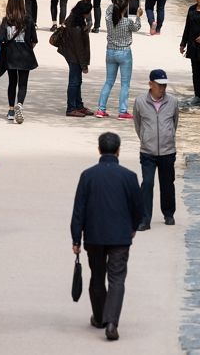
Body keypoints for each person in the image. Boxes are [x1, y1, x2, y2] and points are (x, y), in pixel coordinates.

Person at [70, 132, 143, 341]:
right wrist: (134, 226)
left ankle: (100, 316)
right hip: (120, 234)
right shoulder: (129, 177)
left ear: (99, 150)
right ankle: (112, 322)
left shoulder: (88, 175)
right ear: (118, 150)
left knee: (97, 275)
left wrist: (76, 238)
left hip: (94, 235)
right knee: (117, 278)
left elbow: (79, 210)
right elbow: (139, 207)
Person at [133, 69, 179, 230]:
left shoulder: (172, 102)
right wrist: (146, 138)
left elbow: (174, 122)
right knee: (147, 183)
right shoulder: (140, 102)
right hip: (147, 151)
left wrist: (168, 136)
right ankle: (144, 219)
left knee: (167, 183)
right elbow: (138, 125)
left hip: (167, 151)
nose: (162, 89)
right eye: (159, 85)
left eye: (164, 85)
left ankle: (168, 213)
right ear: (150, 84)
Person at [95, 0, 142, 119]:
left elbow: (109, 10)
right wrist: (138, 15)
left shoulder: (108, 19)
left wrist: (117, 3)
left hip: (110, 52)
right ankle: (122, 111)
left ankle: (101, 109)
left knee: (109, 82)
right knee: (125, 84)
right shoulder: (127, 22)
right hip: (124, 53)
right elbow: (137, 27)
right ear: (124, 8)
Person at [0, 0, 38, 124]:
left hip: (11, 56)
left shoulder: (6, 20)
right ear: (22, 4)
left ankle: (10, 110)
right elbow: (34, 40)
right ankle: (19, 104)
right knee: (23, 83)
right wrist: (27, 47)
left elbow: (0, 39)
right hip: (25, 55)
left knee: (12, 82)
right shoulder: (28, 19)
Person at [50, 0, 94, 117]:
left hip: (72, 54)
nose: (89, 15)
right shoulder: (76, 25)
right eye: (88, 12)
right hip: (74, 56)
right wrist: (84, 66)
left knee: (77, 81)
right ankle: (71, 108)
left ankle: (78, 105)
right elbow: (79, 48)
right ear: (83, 12)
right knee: (74, 82)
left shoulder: (75, 19)